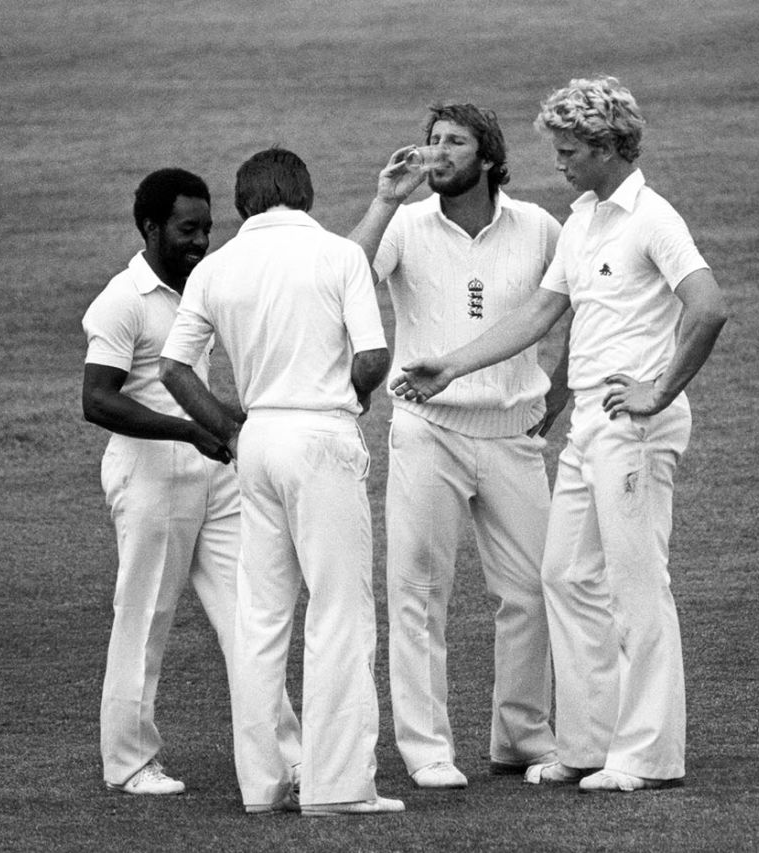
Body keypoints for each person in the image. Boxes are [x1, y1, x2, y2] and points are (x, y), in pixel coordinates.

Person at [391, 76, 728, 793]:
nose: (559, 163)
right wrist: (451, 366)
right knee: (564, 576)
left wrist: (660, 389)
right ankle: (586, 744)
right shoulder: (582, 221)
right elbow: (539, 315)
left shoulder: (652, 219)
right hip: (588, 430)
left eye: (570, 151)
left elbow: (707, 307)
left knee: (637, 586)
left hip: (635, 426)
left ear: (607, 147)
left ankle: (647, 757)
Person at [159, 148, 402, 816]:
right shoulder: (338, 255)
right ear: (307, 193)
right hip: (319, 435)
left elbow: (174, 369)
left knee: (261, 618)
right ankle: (339, 786)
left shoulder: (216, 267)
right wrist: (352, 397)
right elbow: (373, 356)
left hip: (258, 441)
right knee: (339, 611)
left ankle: (262, 785)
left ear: (244, 202)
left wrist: (229, 429)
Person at [348, 104, 568, 789]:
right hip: (427, 431)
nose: (436, 153)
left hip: (513, 434)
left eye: (454, 142)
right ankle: (426, 749)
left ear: (489, 156)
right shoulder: (404, 224)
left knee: (532, 591)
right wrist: (385, 201)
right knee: (417, 593)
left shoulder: (539, 227)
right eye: (432, 141)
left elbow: (582, 304)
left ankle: (522, 738)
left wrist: (560, 390)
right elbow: (341, 277)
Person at [81, 167, 300, 795]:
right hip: (151, 477)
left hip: (214, 473)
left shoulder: (200, 285)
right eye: (187, 229)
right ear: (150, 228)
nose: (201, 241)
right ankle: (129, 763)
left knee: (250, 616)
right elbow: (97, 400)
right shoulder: (122, 300)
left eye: (207, 228)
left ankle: (287, 756)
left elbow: (191, 381)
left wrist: (230, 421)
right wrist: (187, 431)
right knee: (145, 616)